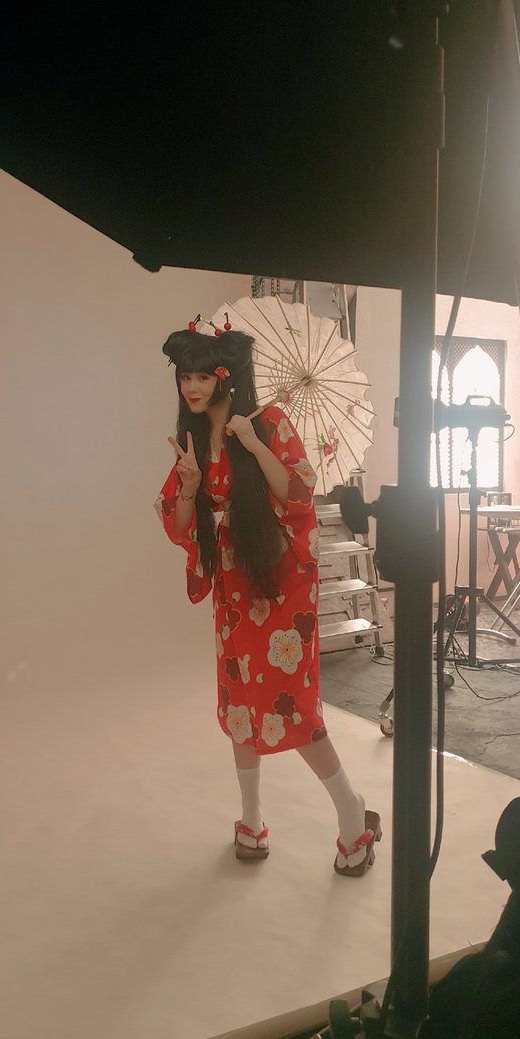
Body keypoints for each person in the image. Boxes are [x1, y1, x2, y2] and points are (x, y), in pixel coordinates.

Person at [155, 317, 381, 876]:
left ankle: (351, 816)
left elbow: (299, 493)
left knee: (289, 704)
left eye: (202, 376)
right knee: (240, 704)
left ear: (226, 376)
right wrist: (188, 488)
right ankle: (252, 820)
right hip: (233, 587)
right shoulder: (192, 440)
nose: (191, 386)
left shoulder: (268, 422)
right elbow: (180, 527)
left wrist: (254, 445)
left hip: (278, 584)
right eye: (185, 376)